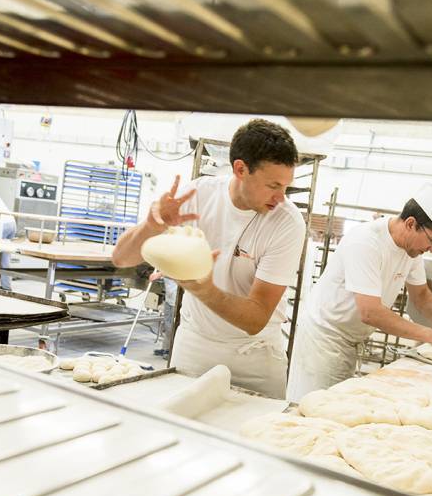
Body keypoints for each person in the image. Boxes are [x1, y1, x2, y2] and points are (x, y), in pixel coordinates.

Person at [112, 119, 306, 398]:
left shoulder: (287, 223)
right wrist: (151, 226)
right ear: (240, 169)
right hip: (194, 348)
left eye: (286, 186)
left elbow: (255, 319)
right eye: (273, 185)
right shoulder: (199, 194)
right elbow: (121, 258)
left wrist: (204, 290)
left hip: (254, 358)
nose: (280, 197)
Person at [287, 184, 432, 401]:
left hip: (352, 337)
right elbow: (370, 312)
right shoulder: (366, 243)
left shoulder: (412, 250)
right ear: (411, 223)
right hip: (325, 339)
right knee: (316, 408)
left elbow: (422, 295)